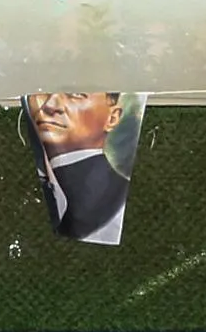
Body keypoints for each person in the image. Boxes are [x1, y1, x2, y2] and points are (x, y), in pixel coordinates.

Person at [25, 91, 132, 243]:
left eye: (76, 94)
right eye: (44, 93)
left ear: (112, 118)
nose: (49, 106)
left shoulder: (114, 193)